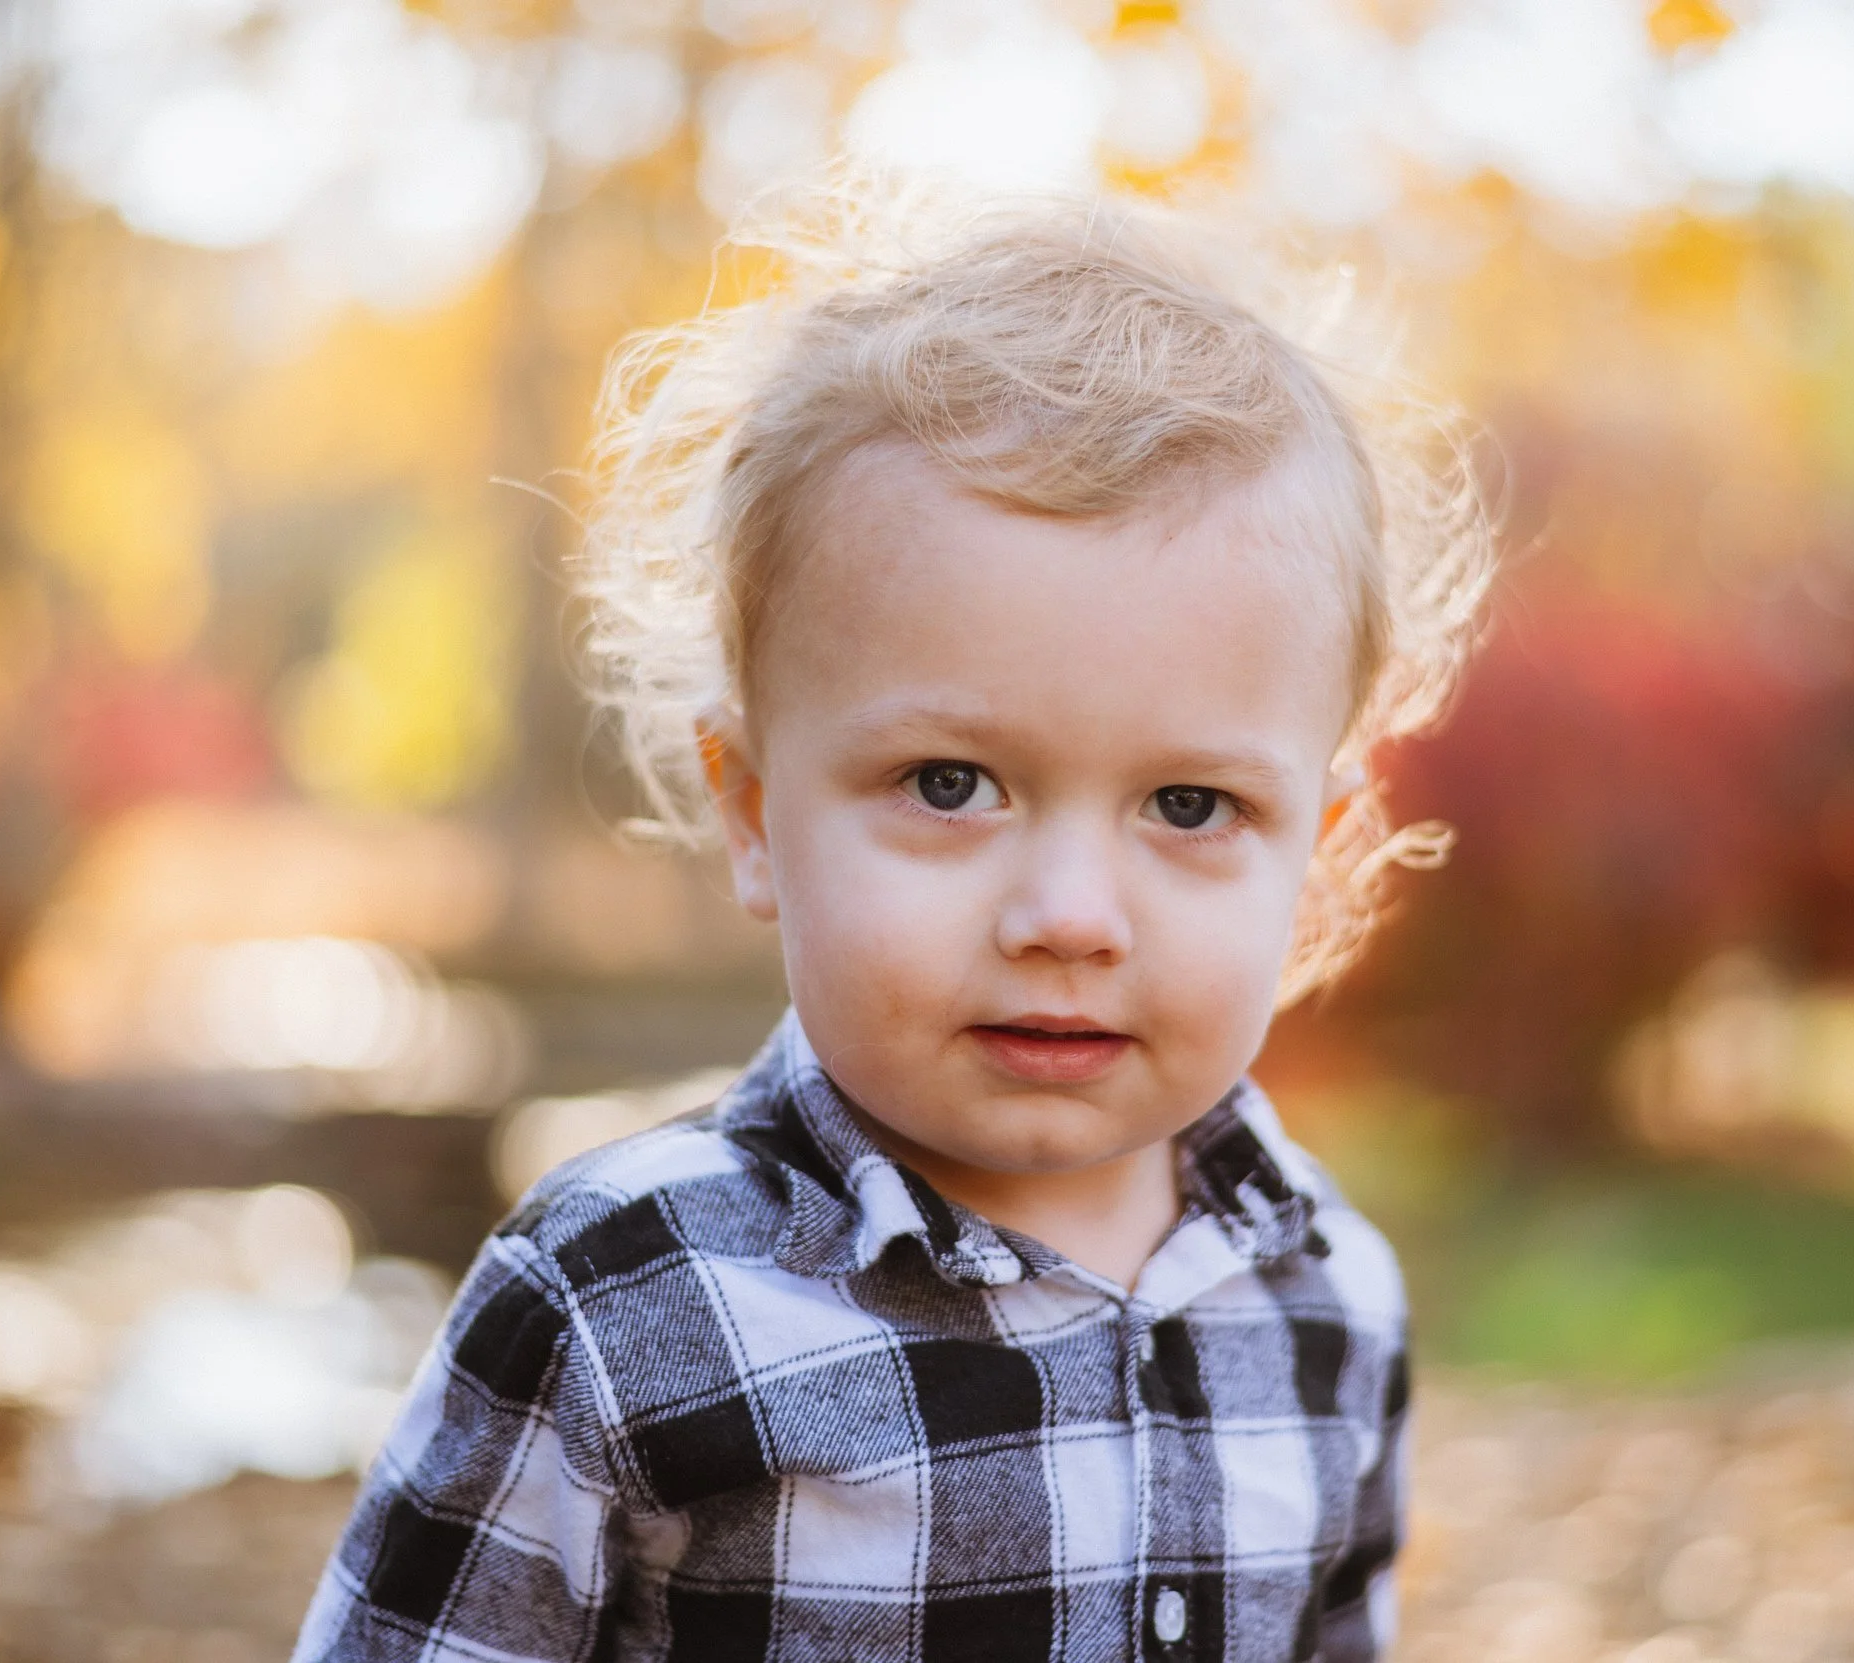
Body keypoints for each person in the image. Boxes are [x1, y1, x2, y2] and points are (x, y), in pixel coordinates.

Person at [291, 179, 1488, 1663]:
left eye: (1189, 805)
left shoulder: (1328, 1300)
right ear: (753, 812)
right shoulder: (623, 1302)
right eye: (949, 783)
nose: (1068, 917)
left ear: (1317, 850)